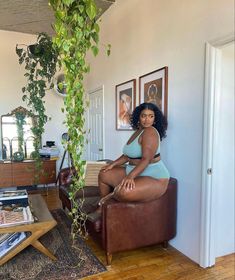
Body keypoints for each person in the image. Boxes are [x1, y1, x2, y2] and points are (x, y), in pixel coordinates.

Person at [95, 102, 170, 214]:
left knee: (123, 192)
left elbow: (146, 159)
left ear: (155, 119)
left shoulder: (150, 132)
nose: (147, 119)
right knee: (103, 174)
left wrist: (130, 176)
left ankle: (108, 199)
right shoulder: (138, 132)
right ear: (138, 117)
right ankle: (105, 211)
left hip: (153, 176)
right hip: (135, 171)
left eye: (151, 116)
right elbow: (127, 156)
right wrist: (112, 164)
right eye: (144, 115)